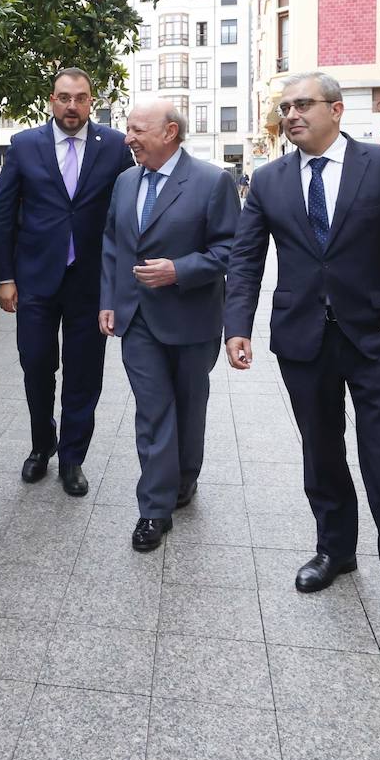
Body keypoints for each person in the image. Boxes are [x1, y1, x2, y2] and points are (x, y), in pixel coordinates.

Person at [224, 71, 380, 633]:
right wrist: (237, 326)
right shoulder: (269, 180)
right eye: (285, 107)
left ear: (337, 110)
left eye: (302, 104)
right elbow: (247, 260)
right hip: (303, 339)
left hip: (379, 337)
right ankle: (335, 550)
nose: (291, 114)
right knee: (320, 451)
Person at [99, 98, 240, 551]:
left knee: (189, 406)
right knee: (154, 410)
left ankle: (185, 478)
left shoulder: (211, 181)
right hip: (136, 319)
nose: (129, 138)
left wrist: (179, 270)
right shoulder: (124, 182)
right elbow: (113, 244)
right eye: (128, 128)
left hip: (191, 318)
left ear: (170, 133)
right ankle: (154, 509)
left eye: (138, 129)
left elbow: (230, 250)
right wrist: (109, 300)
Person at [0, 67, 135, 496]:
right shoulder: (23, 145)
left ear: (92, 102)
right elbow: (2, 215)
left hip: (91, 282)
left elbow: (125, 211)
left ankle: (73, 458)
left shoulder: (113, 146)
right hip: (34, 279)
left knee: (84, 374)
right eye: (64, 97)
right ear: (51, 100)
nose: (72, 106)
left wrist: (122, 279)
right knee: (36, 365)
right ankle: (41, 446)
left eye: (81, 98)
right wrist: (5, 276)